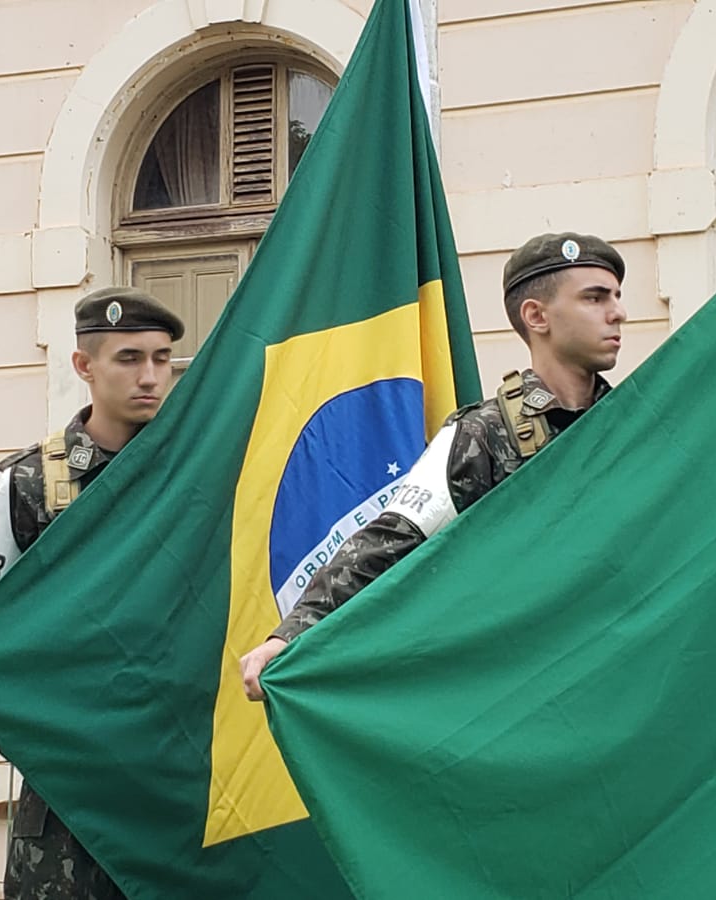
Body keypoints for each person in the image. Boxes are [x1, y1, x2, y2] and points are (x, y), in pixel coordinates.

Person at [240, 232, 628, 699]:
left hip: (625, 670)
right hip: (535, 682)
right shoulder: (485, 434)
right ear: (536, 316)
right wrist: (290, 635)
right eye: (595, 298)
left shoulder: (633, 423)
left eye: (616, 297)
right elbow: (389, 539)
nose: (618, 313)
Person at [0, 286, 183, 900]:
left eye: (162, 359)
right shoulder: (32, 482)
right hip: (70, 792)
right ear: (84, 366)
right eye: (129, 358)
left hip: (181, 779)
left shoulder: (194, 470)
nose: (150, 377)